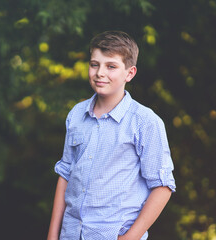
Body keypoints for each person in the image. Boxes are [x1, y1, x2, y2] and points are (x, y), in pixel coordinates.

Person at [47, 31, 176, 240]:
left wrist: (129, 238)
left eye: (111, 66)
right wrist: (52, 236)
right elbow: (65, 175)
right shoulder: (76, 115)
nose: (100, 73)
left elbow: (162, 187)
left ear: (130, 73)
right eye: (94, 64)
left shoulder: (145, 122)